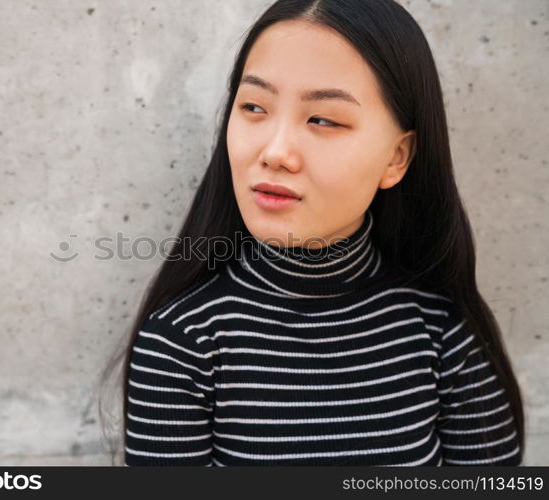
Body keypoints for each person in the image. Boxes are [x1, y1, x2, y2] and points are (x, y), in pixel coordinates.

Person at [98, 0, 525, 466]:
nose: (276, 152)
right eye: (254, 107)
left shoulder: (441, 331)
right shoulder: (182, 342)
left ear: (396, 157)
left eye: (323, 119)